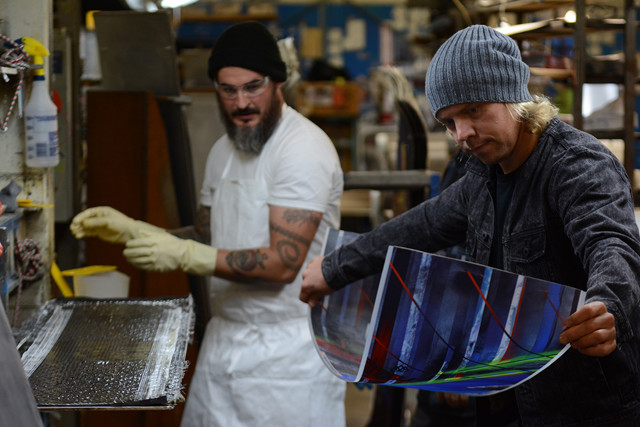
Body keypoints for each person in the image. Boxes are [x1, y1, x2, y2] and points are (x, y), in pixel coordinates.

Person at [300, 24, 640, 426]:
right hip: (505, 398)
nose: (462, 134)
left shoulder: (577, 165)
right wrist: (334, 267)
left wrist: (608, 306)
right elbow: (420, 226)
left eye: (473, 110)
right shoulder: (482, 174)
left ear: (513, 96)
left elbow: (611, 244)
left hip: (583, 407)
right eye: (448, 122)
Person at [71, 22, 346, 426]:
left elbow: (283, 264)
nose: (241, 103)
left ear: (277, 83)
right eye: (228, 90)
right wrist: (140, 231)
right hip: (223, 345)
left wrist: (184, 254)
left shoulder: (302, 149)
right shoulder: (223, 151)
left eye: (253, 87)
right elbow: (207, 235)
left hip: (288, 356)